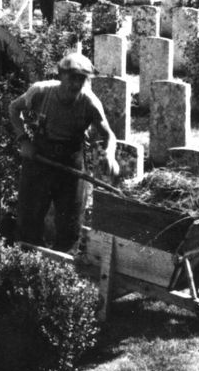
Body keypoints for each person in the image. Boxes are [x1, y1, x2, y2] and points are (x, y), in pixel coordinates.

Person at [8, 52, 119, 252]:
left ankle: (62, 271)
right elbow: (14, 109)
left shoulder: (89, 103)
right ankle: (26, 264)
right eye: (72, 77)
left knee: (70, 225)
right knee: (29, 218)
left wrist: (110, 154)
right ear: (60, 75)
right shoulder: (41, 92)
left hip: (70, 164)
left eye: (81, 79)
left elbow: (109, 135)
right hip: (39, 159)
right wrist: (23, 140)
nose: (76, 84)